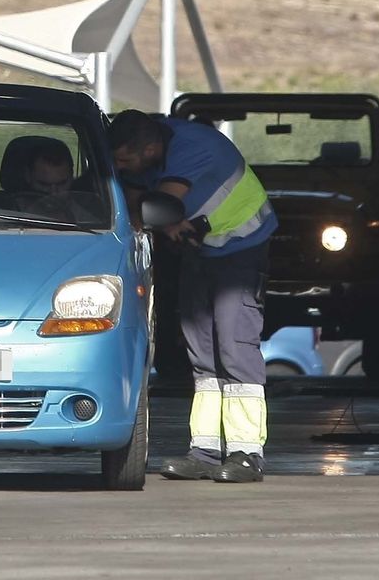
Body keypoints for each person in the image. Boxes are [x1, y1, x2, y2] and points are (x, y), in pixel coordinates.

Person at [109, 109, 277, 484]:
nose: (118, 168)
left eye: (122, 161)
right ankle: (204, 452)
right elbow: (137, 196)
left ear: (149, 149)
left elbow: (159, 206)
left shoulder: (195, 148)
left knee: (235, 346)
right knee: (201, 353)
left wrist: (160, 221)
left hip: (241, 246)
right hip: (202, 250)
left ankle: (247, 453)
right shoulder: (152, 147)